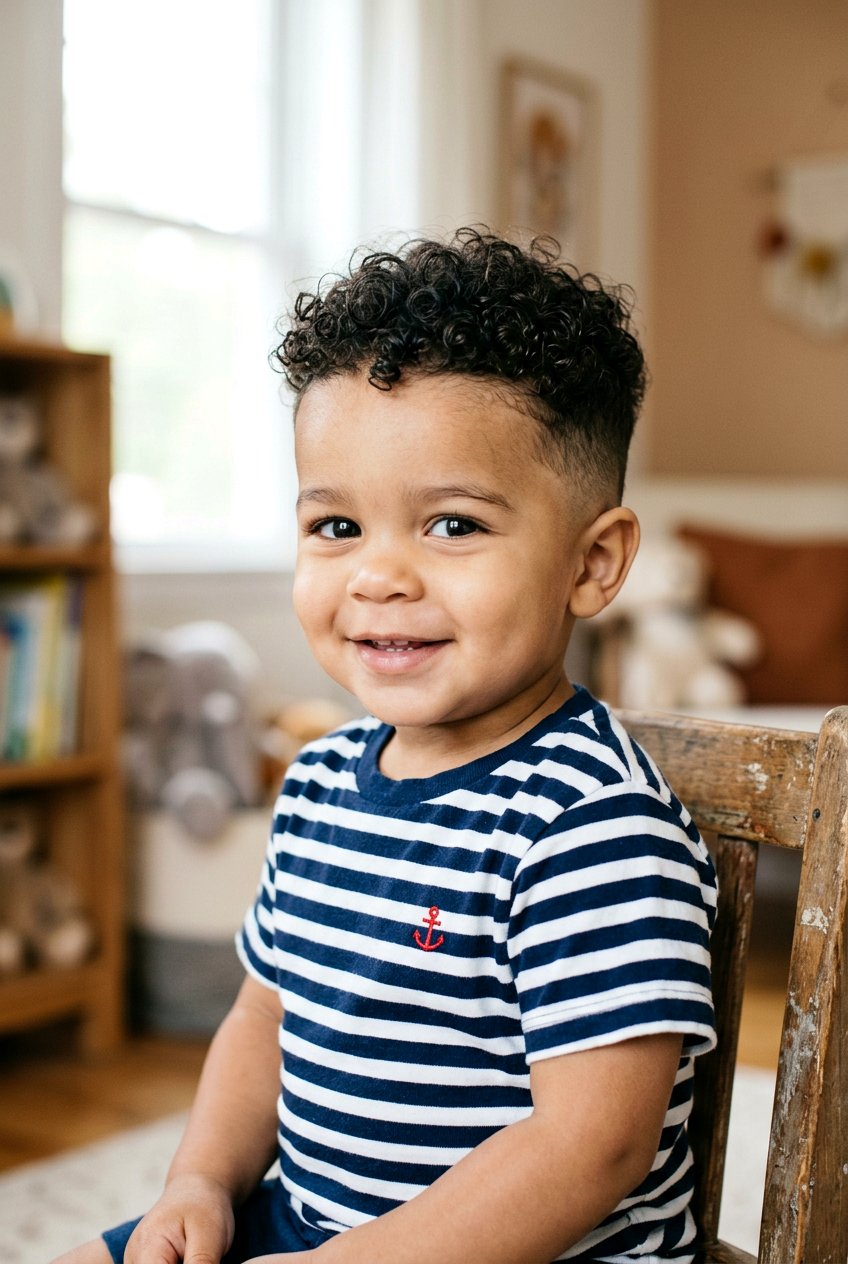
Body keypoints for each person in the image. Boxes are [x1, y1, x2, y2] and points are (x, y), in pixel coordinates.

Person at [55, 227, 716, 1264]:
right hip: (316, 1225)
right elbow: (261, 1018)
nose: (377, 576)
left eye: (450, 526)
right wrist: (199, 1178)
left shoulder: (589, 824)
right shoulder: (320, 778)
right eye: (334, 527)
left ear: (591, 563)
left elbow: (591, 1147)